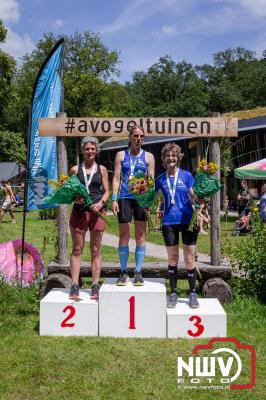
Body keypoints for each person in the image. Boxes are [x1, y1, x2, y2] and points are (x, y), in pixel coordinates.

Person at [155, 143, 199, 309]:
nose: (171, 158)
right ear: (164, 159)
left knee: (189, 258)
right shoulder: (160, 179)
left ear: (179, 158)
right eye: (168, 156)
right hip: (169, 222)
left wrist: (200, 198)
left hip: (188, 221)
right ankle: (173, 292)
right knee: (173, 258)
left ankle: (192, 293)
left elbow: (193, 196)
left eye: (174, 156)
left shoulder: (187, 176)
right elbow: (151, 197)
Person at [112, 125, 155, 286]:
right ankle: (123, 271)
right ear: (130, 137)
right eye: (136, 135)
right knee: (124, 235)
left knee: (140, 235)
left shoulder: (149, 157)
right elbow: (116, 177)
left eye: (142, 136)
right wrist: (114, 199)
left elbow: (151, 180)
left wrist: (149, 201)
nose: (139, 138)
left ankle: (138, 271)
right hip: (124, 197)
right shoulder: (120, 155)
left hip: (141, 199)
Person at [69, 137, 109, 300]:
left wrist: (101, 203)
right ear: (83, 150)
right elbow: (69, 191)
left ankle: (94, 284)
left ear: (96, 150)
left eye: (93, 148)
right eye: (87, 149)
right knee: (77, 249)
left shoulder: (102, 169)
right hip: (79, 212)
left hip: (97, 212)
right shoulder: (74, 170)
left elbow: (107, 191)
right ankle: (74, 285)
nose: (90, 151)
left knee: (95, 249)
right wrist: (74, 198)